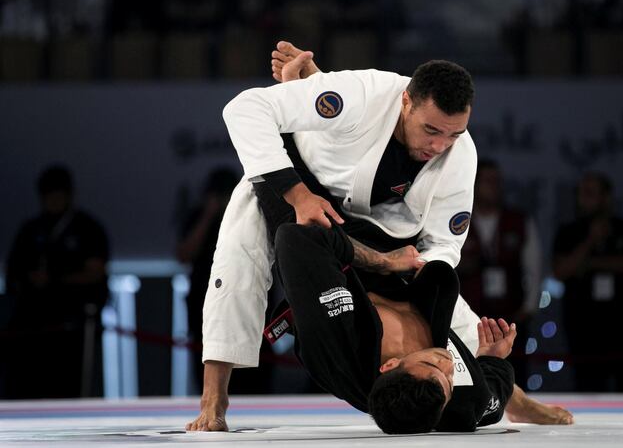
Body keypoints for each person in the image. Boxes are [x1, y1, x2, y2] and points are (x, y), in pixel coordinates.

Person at [186, 41, 572, 431]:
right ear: (406, 102)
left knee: (441, 303)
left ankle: (514, 399)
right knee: (240, 255)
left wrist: (414, 272)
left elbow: (444, 240)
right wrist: (299, 193)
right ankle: (214, 399)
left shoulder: (460, 152)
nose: (440, 146)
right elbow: (243, 109)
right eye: (432, 130)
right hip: (301, 180)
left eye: (454, 134)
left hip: (355, 218)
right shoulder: (368, 94)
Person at [270, 218, 516, 433]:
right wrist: (492, 359)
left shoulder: (337, 342)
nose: (447, 363)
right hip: (406, 241)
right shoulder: (458, 404)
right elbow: (490, 404)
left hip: (341, 237)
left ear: (389, 365)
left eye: (430, 364)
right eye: (450, 382)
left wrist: (382, 261)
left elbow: (296, 236)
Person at [5, 165, 109, 398]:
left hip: (72, 327)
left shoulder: (87, 229)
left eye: (58, 195)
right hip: (31, 326)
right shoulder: (31, 230)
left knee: (69, 388)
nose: (53, 201)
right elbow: (13, 272)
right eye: (48, 196)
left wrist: (55, 280)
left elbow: (95, 271)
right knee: (28, 389)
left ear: (69, 195)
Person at [553, 171, 623, 392]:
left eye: (591, 193)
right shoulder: (569, 232)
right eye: (581, 193)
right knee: (589, 388)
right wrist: (590, 240)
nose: (584, 199)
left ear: (606, 197)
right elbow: (561, 270)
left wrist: (591, 264)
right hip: (585, 328)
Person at [457, 159, 543, 386]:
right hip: (470, 313)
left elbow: (533, 267)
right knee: (472, 373)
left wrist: (529, 307)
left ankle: (520, 411)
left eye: (497, 181)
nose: (493, 186)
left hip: (511, 313)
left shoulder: (519, 221)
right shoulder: (457, 219)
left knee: (517, 372)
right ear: (474, 184)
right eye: (487, 181)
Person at [176, 166, 239, 391]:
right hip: (203, 307)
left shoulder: (247, 219)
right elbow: (183, 254)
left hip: (242, 304)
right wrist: (208, 214)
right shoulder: (198, 217)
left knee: (249, 379)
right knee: (206, 374)